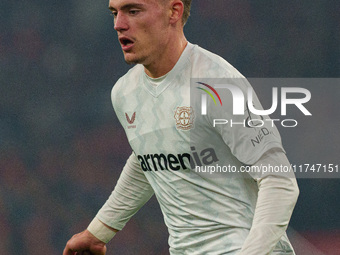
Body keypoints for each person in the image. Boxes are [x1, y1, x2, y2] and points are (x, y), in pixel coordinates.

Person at [63, 0, 299, 254]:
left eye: (133, 11)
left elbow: (280, 181)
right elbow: (150, 159)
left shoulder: (217, 83)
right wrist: (98, 232)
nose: (118, 25)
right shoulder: (125, 92)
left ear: (173, 12)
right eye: (114, 13)